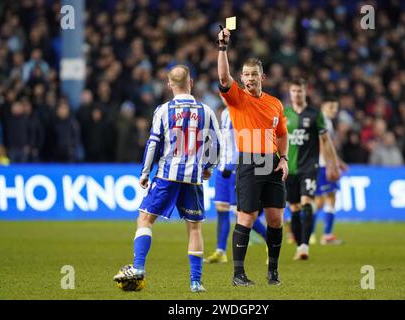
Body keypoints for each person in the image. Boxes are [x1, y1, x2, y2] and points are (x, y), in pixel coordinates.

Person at [113, 65, 221, 293]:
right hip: (193, 178)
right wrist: (209, 167)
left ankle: (139, 267)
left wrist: (144, 172)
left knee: (144, 219)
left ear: (170, 84)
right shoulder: (206, 111)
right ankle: (195, 282)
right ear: (190, 83)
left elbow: (153, 143)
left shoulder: (163, 110)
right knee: (194, 229)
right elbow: (217, 144)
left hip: (167, 176)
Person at [217, 27, 289, 286]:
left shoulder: (275, 103)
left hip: (271, 162)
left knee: (275, 218)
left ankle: (273, 271)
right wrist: (223, 48)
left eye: (254, 74)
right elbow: (223, 76)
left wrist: (284, 159)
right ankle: (238, 274)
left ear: (262, 77)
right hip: (248, 161)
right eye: (246, 74)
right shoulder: (236, 98)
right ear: (242, 77)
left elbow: (282, 134)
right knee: (246, 217)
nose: (249, 78)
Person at [284, 79, 340, 261]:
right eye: (293, 91)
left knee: (307, 203)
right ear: (290, 92)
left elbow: (326, 141)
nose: (297, 94)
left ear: (305, 91)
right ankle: (299, 242)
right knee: (294, 208)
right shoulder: (284, 114)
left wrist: (333, 164)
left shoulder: (315, 114)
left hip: (309, 167)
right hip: (289, 169)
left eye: (299, 91)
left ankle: (304, 246)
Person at [204, 107, 267, 264]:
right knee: (221, 210)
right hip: (221, 170)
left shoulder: (242, 113)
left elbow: (243, 145)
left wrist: (231, 167)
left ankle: (270, 240)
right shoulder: (225, 113)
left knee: (241, 214)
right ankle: (220, 251)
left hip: (236, 171)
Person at [311, 97, 347, 245]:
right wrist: (330, 166)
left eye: (336, 108)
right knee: (330, 198)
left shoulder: (324, 120)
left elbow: (329, 146)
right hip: (323, 165)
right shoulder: (324, 121)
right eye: (331, 107)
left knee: (318, 201)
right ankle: (327, 235)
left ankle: (307, 232)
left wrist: (338, 162)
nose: (334, 111)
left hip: (317, 164)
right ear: (323, 107)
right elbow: (322, 144)